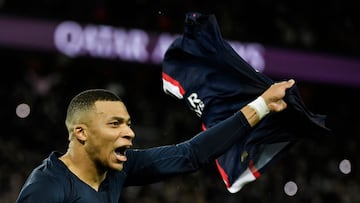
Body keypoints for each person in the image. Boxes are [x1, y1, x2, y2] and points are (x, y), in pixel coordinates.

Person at [16, 79, 295, 203]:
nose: (129, 133)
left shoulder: (118, 169)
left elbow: (190, 154)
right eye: (115, 124)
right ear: (81, 133)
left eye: (128, 124)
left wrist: (262, 106)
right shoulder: (47, 187)